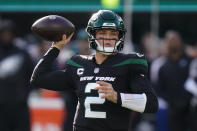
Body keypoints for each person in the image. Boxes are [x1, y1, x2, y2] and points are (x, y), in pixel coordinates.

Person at [30, 10, 158, 131]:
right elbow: (39, 78)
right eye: (103, 33)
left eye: (113, 33)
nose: (108, 38)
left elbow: (151, 104)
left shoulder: (128, 63)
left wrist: (117, 96)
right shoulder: (79, 63)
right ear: (92, 35)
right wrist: (56, 48)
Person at [0, 19, 34, 131]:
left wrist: (25, 93)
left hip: (20, 105)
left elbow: (33, 75)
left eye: (9, 33)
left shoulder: (22, 53)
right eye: (3, 33)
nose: (6, 35)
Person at [157, 30, 193, 131]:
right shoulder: (162, 66)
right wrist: (173, 103)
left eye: (175, 39)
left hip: (190, 110)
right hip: (172, 112)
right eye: (171, 40)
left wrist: (185, 101)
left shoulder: (190, 62)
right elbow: (159, 89)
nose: (173, 42)